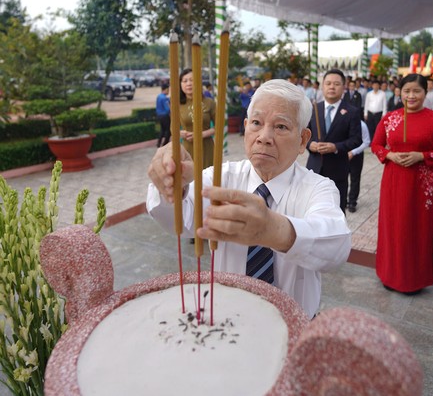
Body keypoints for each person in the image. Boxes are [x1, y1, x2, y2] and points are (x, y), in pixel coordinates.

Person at [146, 79, 352, 318]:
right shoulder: (221, 177)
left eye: (281, 127)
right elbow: (179, 219)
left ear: (303, 140)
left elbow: (335, 246)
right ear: (246, 128)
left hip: (295, 324)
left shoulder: (318, 187)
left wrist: (273, 230)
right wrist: (171, 184)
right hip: (226, 319)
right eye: (256, 123)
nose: (264, 137)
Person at [371, 74, 433, 294]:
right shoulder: (389, 118)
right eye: (406, 91)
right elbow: (376, 144)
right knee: (393, 227)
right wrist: (390, 155)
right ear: (400, 92)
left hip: (422, 183)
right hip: (394, 180)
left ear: (426, 93)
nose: (411, 95)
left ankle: (415, 279)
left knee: (417, 228)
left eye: (416, 91)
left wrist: (422, 155)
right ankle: (390, 275)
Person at [306, 69, 362, 211]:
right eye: (328, 83)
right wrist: (309, 144)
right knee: (310, 209)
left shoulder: (352, 111)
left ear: (344, 87)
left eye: (336, 84)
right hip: (314, 169)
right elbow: (302, 134)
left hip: (338, 170)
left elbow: (356, 139)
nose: (332, 87)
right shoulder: (313, 109)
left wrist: (335, 147)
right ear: (322, 86)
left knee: (336, 210)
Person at [178, 69, 216, 167]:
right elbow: (173, 128)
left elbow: (218, 127)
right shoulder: (177, 105)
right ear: (180, 84)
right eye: (185, 81)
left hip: (207, 148)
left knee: (208, 178)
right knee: (190, 179)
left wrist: (201, 135)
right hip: (188, 148)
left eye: (192, 80)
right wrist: (180, 133)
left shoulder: (209, 102)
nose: (189, 83)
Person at [347, 120, 370, 213]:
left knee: (355, 178)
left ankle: (352, 202)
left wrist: (353, 152)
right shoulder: (343, 121)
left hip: (357, 155)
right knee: (342, 178)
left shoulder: (362, 125)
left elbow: (366, 142)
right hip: (343, 153)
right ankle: (342, 200)